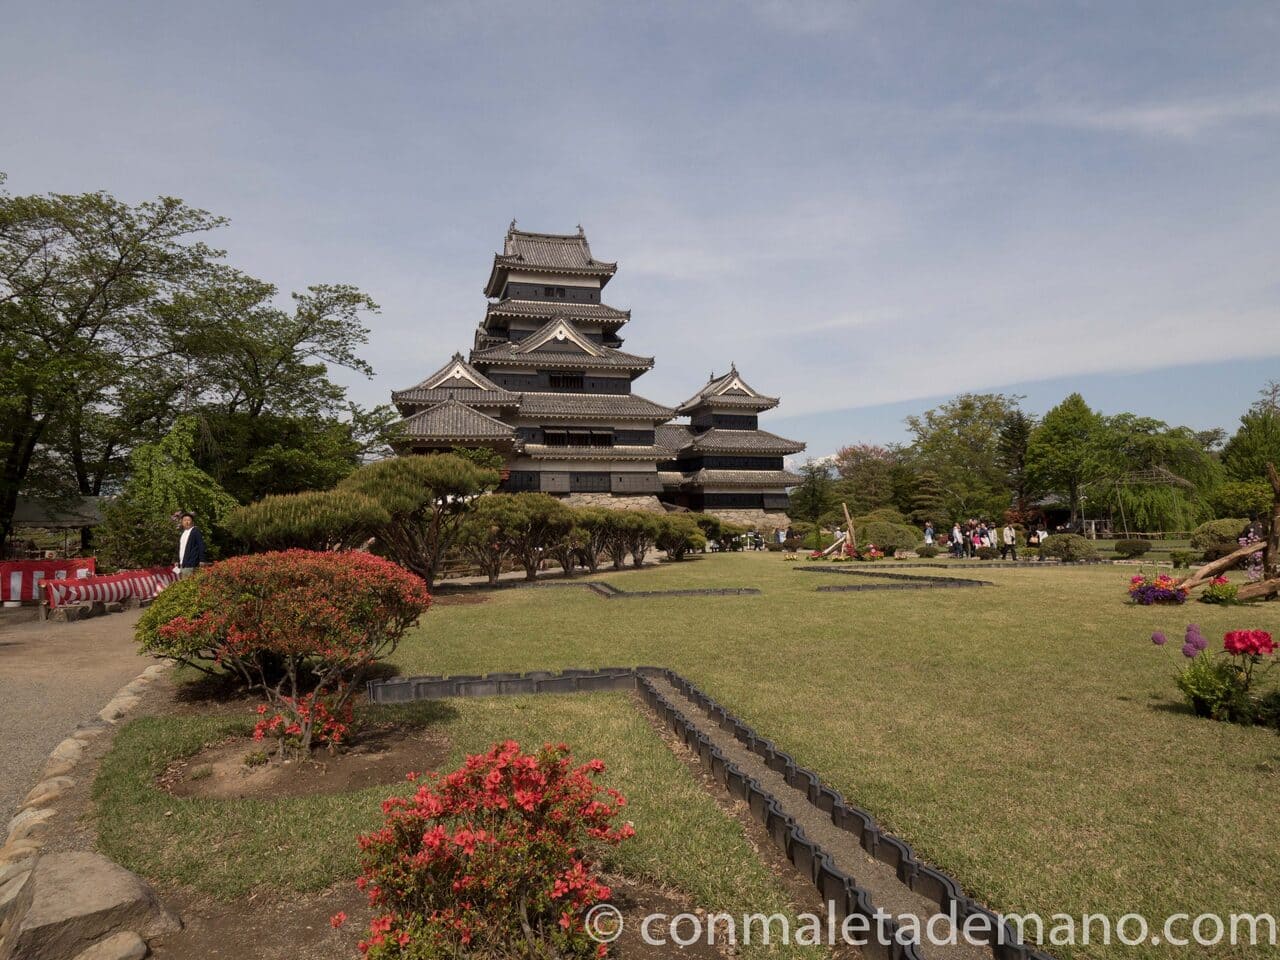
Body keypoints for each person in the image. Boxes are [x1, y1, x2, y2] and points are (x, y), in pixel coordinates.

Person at [176, 511, 207, 578]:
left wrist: (202, 560)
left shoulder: (195, 531)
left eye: (188, 520)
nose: (186, 522)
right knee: (182, 582)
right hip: (182, 564)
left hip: (190, 564)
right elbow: (180, 549)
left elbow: (201, 546)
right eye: (184, 520)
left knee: (187, 582)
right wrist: (177, 561)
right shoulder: (183, 533)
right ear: (182, 522)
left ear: (192, 522)